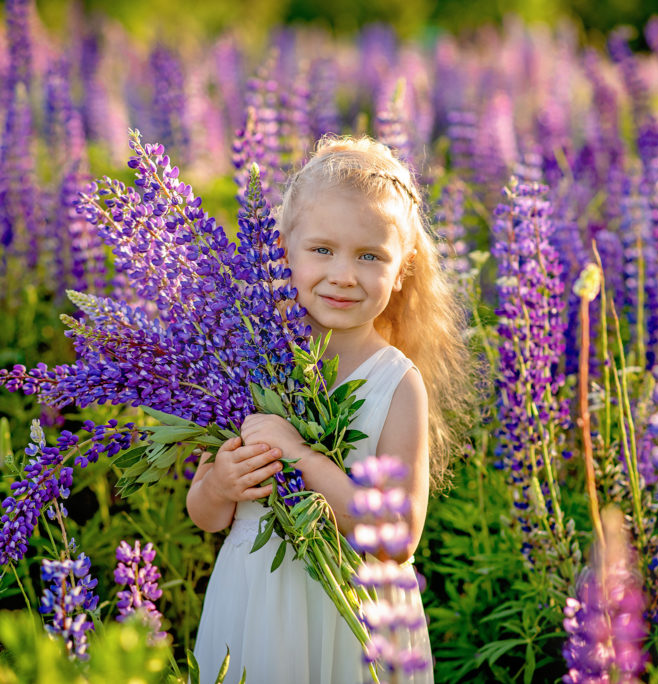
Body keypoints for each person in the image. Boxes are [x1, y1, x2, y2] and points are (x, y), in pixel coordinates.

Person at [186, 136, 470, 684]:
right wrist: (221, 484)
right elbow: (207, 515)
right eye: (322, 250)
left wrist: (300, 457)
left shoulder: (397, 383)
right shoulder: (249, 362)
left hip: (355, 617)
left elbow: (398, 536)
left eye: (370, 256)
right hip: (257, 605)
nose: (344, 274)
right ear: (282, 248)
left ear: (404, 268)